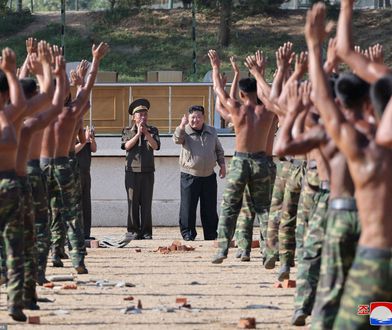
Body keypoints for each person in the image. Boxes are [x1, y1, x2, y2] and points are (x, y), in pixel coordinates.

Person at [305, 2, 392, 328]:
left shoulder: (365, 154)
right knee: (382, 322)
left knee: (352, 320)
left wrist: (316, 47)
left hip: (374, 261)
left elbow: (325, 104)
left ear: (371, 107)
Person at [208, 50, 274, 264]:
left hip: (241, 160)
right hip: (262, 161)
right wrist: (259, 73)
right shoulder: (267, 112)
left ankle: (222, 249)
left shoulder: (237, 109)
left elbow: (219, 91)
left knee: (230, 205)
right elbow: (271, 95)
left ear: (242, 94)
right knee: (264, 208)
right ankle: (270, 251)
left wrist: (216, 66)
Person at [173, 105, 226, 241]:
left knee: (209, 207)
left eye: (198, 117)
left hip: (209, 175)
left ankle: (211, 234)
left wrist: (222, 165)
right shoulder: (184, 131)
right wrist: (181, 125)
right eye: (192, 117)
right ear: (188, 118)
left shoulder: (212, 131)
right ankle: (188, 233)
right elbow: (176, 140)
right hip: (189, 175)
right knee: (188, 207)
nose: (195, 120)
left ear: (203, 118)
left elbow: (218, 150)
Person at [121, 98, 160, 240]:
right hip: (131, 172)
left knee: (146, 203)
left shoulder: (153, 130)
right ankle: (133, 231)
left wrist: (147, 134)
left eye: (145, 114)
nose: (143, 117)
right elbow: (126, 146)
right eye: (140, 115)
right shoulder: (126, 131)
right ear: (134, 117)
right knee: (132, 203)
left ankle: (146, 232)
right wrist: (137, 134)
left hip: (148, 172)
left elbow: (155, 146)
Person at [76, 124, 97, 240]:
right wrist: (83, 141)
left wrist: (91, 138)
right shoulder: (68, 131)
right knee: (76, 205)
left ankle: (86, 233)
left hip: (85, 172)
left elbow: (94, 149)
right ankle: (76, 233)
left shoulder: (85, 131)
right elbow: (71, 151)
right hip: (74, 172)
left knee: (86, 204)